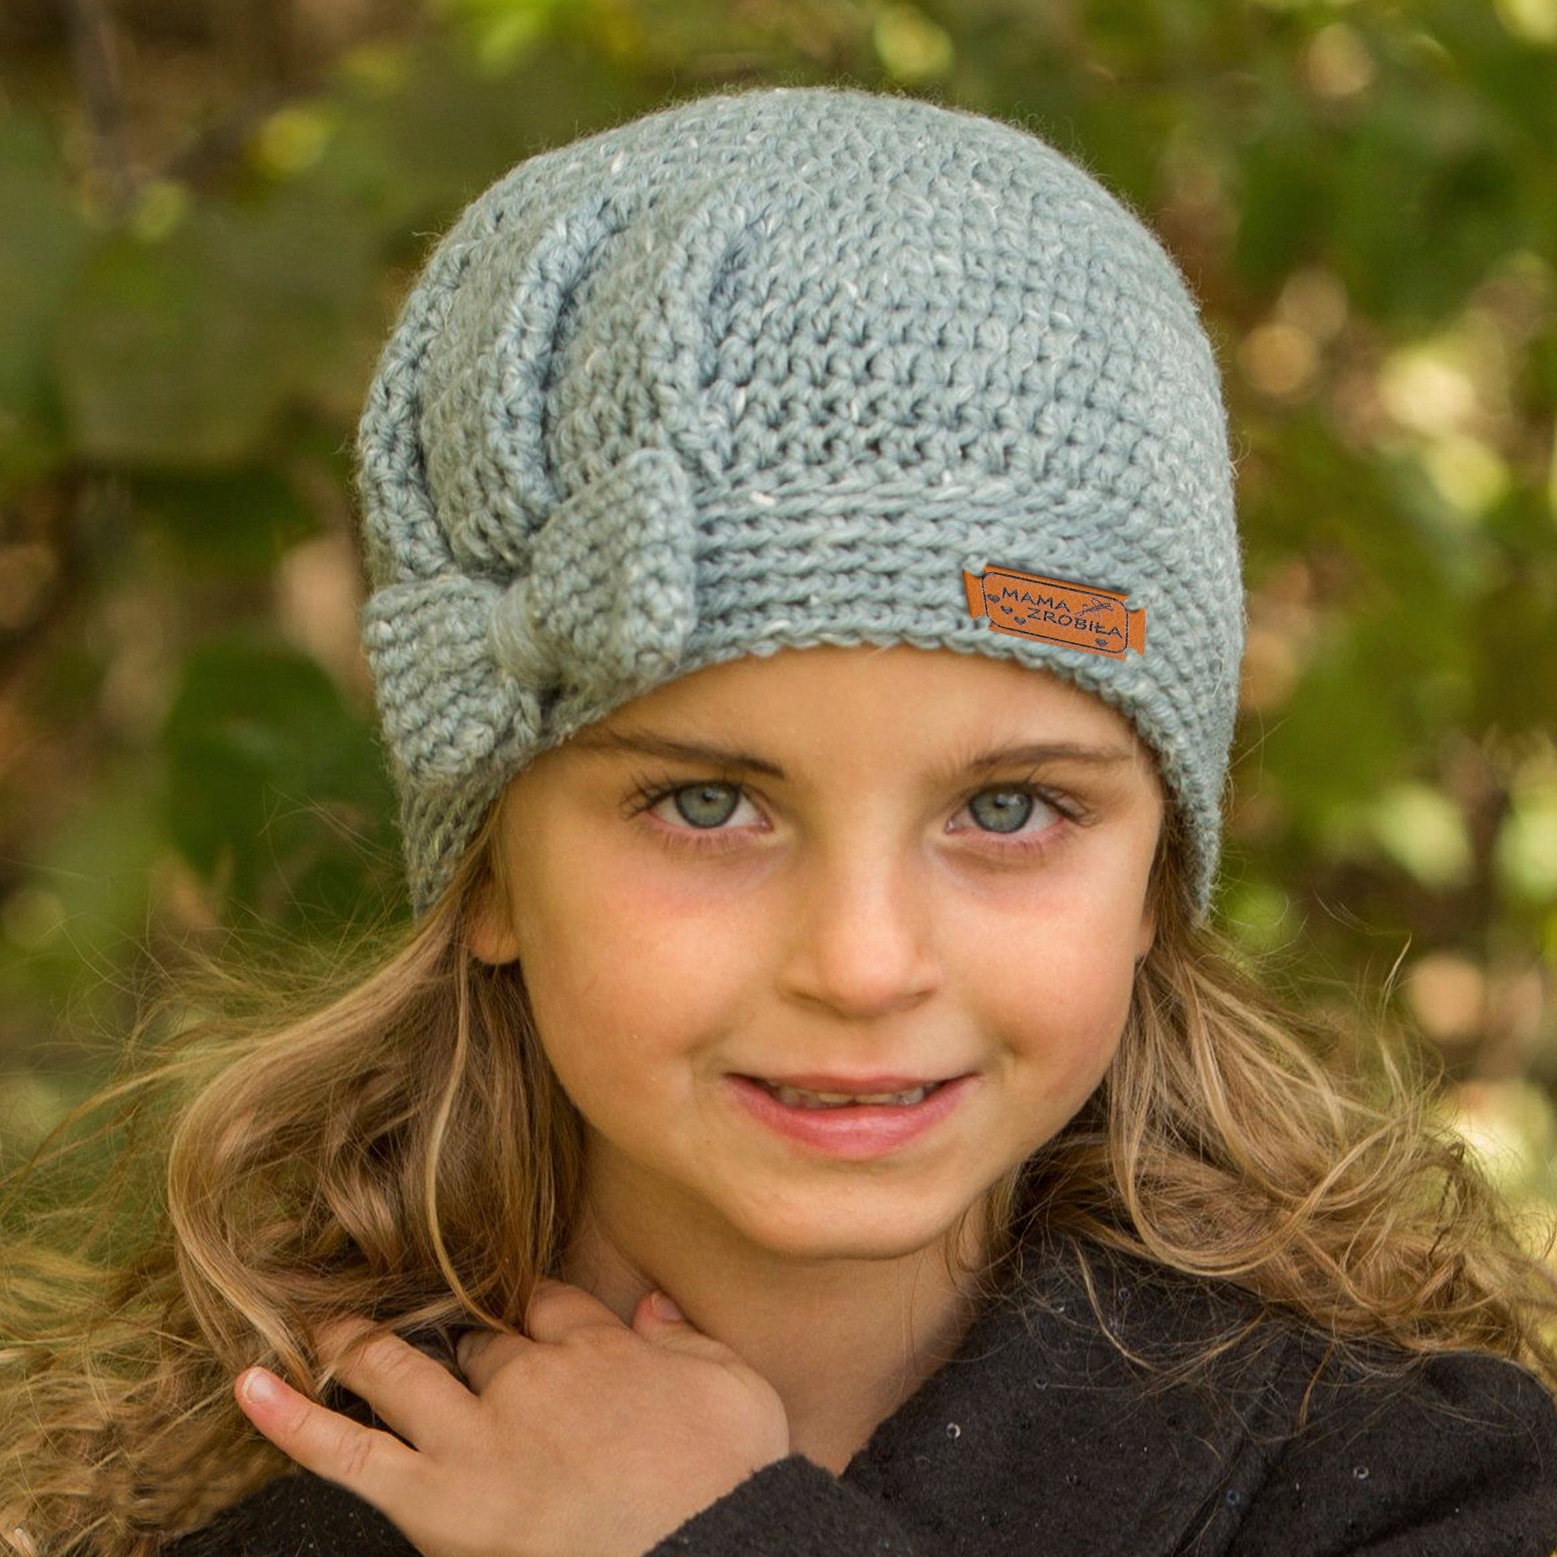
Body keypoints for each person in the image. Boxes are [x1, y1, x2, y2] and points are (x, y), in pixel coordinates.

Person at [3, 85, 1557, 1557]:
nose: (863, 963)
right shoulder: (217, 1510)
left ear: (1156, 867)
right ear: (490, 868)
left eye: (1007, 806)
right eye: (707, 803)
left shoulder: (1409, 1483)